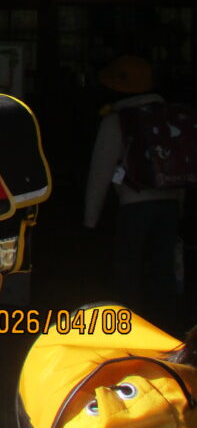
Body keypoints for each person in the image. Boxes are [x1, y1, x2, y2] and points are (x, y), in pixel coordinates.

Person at [83, 55, 183, 331]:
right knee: (162, 269)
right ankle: (165, 327)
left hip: (134, 203)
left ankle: (129, 326)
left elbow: (100, 171)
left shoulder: (118, 120)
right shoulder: (170, 116)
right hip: (170, 203)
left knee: (128, 268)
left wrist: (90, 220)